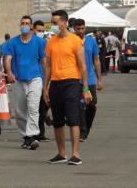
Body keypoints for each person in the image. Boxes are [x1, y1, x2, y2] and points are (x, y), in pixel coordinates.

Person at [43, 10, 91, 165]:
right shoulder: (51, 42)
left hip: (71, 83)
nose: (53, 26)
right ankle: (61, 153)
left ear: (64, 23)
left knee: (72, 118)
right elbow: (48, 67)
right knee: (57, 121)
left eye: (55, 23)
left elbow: (83, 66)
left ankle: (76, 154)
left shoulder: (75, 40)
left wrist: (85, 88)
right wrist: (45, 87)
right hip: (55, 84)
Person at [5, 16, 46, 150]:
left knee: (33, 108)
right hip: (18, 80)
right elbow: (8, 59)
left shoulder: (39, 42)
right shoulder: (12, 42)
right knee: (20, 111)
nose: (24, 25)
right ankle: (26, 136)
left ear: (31, 26)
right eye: (22, 23)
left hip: (35, 78)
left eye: (27, 23)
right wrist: (9, 72)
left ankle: (32, 135)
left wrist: (47, 78)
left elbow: (44, 61)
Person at [73, 19, 104, 142]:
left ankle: (87, 128)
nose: (81, 31)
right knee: (80, 105)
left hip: (90, 79)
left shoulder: (91, 41)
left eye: (83, 28)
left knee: (91, 105)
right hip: (75, 78)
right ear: (74, 28)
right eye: (78, 28)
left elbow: (96, 60)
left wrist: (99, 80)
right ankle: (82, 131)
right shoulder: (71, 41)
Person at [33, 20, 50, 142]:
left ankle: (42, 125)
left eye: (42, 31)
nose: (41, 33)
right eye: (39, 31)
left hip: (44, 78)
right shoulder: (29, 43)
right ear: (33, 30)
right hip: (33, 78)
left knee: (44, 105)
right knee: (37, 108)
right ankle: (38, 133)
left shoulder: (45, 42)